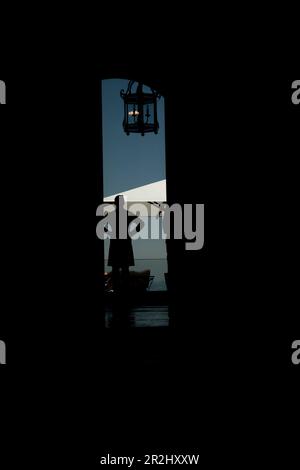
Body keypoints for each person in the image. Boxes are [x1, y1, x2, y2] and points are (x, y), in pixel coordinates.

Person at [108, 195, 135, 293]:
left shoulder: (111, 215)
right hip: (125, 242)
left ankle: (117, 290)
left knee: (115, 269)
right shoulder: (128, 214)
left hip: (115, 242)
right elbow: (140, 223)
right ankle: (125, 290)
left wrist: (110, 233)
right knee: (125, 268)